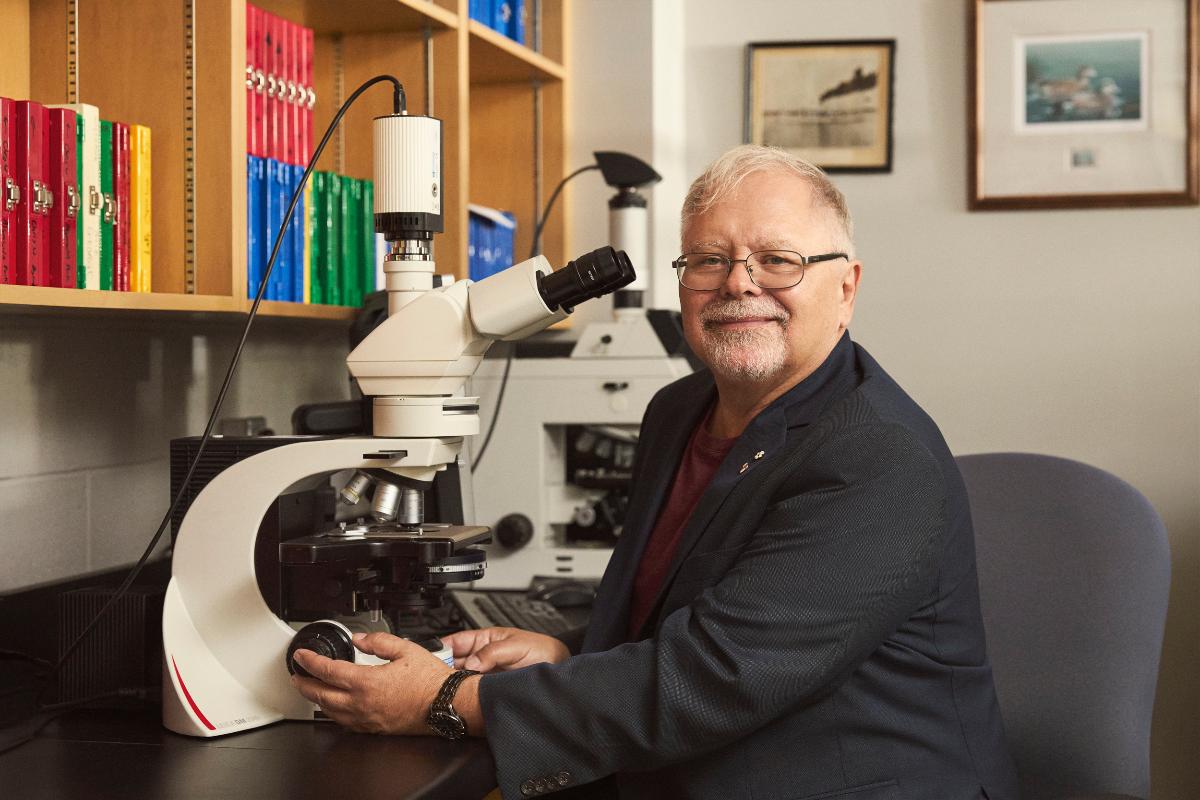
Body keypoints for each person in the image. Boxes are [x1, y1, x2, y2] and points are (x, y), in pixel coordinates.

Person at [291, 145, 1020, 799]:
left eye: (778, 259)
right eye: (708, 259)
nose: (738, 283)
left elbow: (713, 676)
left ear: (847, 287)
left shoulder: (878, 457)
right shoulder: (679, 409)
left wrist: (443, 700)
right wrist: (565, 652)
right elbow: (687, 616)